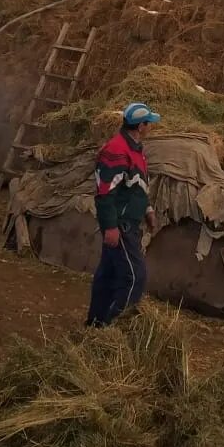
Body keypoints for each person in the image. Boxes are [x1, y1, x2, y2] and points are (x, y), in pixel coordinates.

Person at [86, 102, 161, 327]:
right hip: (121, 225)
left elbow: (135, 186)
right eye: (149, 123)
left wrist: (147, 209)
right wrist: (110, 226)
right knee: (133, 278)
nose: (151, 127)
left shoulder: (136, 149)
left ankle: (96, 325)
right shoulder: (116, 151)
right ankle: (115, 330)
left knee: (108, 276)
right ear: (140, 126)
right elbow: (105, 192)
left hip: (130, 222)